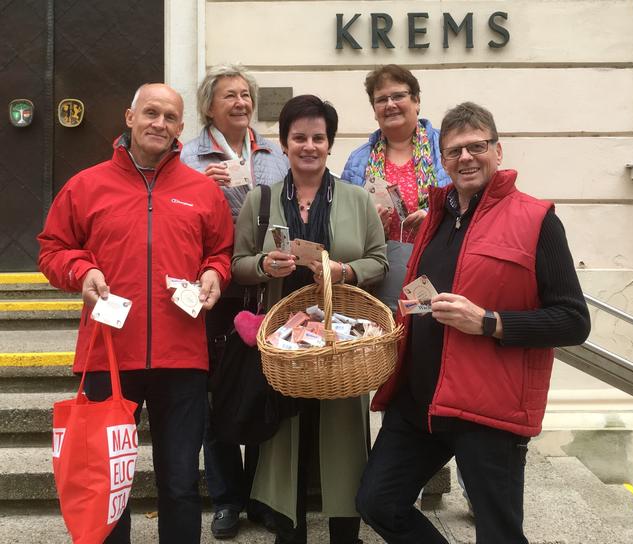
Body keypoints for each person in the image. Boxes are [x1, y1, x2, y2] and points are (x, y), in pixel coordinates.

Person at [355, 102, 591, 544]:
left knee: (498, 533)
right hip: (420, 400)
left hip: (487, 405)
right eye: (454, 150)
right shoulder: (437, 217)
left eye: (477, 146)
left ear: (497, 151)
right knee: (377, 503)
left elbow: (573, 321)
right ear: (442, 160)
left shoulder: (536, 219)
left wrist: (487, 322)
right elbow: (423, 295)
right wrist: (391, 323)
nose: (465, 157)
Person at [38, 83, 234, 544]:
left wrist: (214, 275)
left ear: (180, 128)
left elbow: (221, 252)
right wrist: (80, 270)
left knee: (181, 483)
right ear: (129, 117)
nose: (159, 123)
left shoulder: (202, 192)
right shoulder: (85, 186)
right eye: (151, 113)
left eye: (169, 117)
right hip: (108, 355)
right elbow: (52, 251)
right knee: (109, 484)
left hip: (182, 358)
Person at [233, 94, 388, 544]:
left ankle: (344, 528)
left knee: (343, 430)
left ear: (330, 143)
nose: (308, 146)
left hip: (342, 340)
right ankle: (288, 525)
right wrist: (264, 266)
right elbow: (237, 262)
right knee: (284, 430)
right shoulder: (259, 201)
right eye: (298, 137)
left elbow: (379, 261)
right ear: (283, 144)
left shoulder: (357, 200)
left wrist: (346, 271)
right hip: (284, 341)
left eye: (318, 137)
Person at [180, 64, 288, 538]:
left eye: (246, 95)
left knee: (265, 388)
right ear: (209, 106)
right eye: (230, 96)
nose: (241, 103)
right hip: (211, 291)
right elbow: (174, 219)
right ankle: (226, 498)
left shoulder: (274, 156)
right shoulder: (185, 158)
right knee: (215, 394)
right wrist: (205, 189)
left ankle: (263, 495)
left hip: (265, 287)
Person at [341, 64, 450, 310]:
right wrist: (367, 226)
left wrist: (434, 217)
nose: (390, 104)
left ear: (417, 101)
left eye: (398, 96)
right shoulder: (358, 159)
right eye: (381, 99)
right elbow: (343, 223)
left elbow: (468, 203)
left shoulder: (446, 148)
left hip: (436, 268)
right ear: (374, 110)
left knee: (428, 338)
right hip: (378, 280)